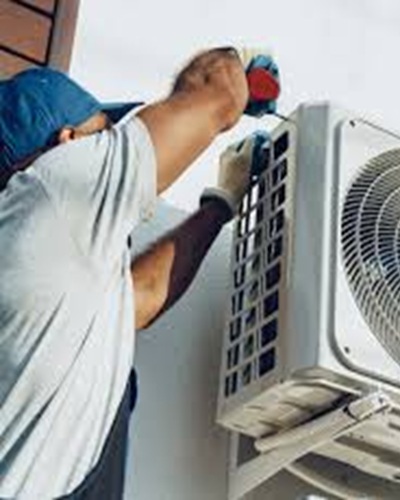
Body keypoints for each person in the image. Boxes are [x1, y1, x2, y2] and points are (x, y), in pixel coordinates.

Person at [0, 47, 279, 499]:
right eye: (103, 134)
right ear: (68, 143)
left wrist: (221, 202)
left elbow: (139, 298)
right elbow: (218, 90)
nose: (111, 140)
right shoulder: (51, 190)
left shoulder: (35, 259)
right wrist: (238, 60)